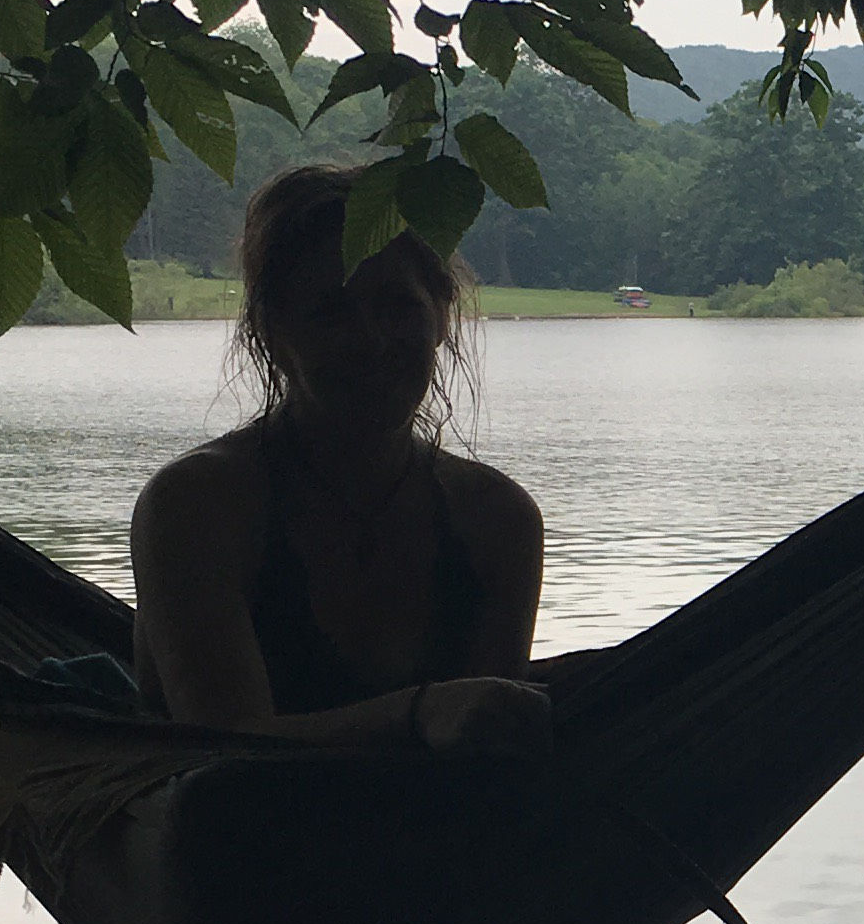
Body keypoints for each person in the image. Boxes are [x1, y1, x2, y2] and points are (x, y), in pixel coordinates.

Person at [131, 162, 550, 755]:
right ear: (272, 333)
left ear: (441, 315)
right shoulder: (197, 506)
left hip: (439, 839)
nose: (372, 339)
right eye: (331, 311)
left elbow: (489, 752)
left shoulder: (497, 519)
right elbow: (224, 748)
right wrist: (420, 714)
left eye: (397, 306)